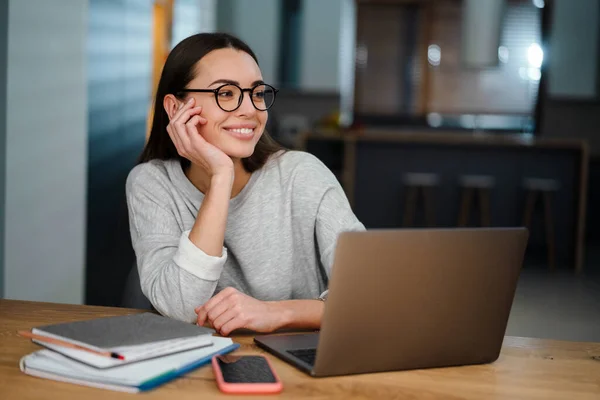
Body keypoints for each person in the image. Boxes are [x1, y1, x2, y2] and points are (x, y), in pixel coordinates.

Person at [126, 32, 364, 336]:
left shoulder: (302, 175)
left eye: (256, 93)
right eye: (225, 93)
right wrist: (220, 177)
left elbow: (366, 297)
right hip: (201, 365)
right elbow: (180, 307)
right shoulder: (152, 182)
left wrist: (277, 313)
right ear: (175, 109)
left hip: (301, 360)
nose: (250, 109)